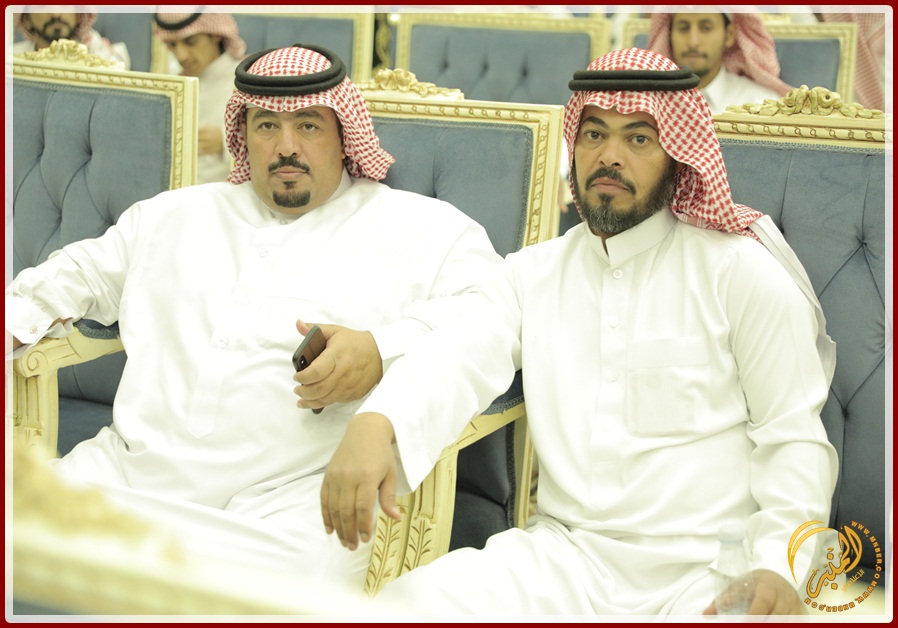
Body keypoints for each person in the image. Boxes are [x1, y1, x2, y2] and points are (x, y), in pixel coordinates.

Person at [320, 47, 838, 616]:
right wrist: (378, 421)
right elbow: (456, 352)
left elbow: (793, 437)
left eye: (638, 138)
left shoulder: (739, 272)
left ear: (678, 155)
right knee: (402, 608)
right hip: (563, 561)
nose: (609, 156)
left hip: (707, 573)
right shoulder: (534, 274)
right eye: (594, 135)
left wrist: (779, 566)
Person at [6, 44, 502, 591]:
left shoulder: (423, 229)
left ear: (345, 134)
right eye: (267, 125)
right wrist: (15, 318)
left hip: (288, 510)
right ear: (244, 135)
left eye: (308, 125)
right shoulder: (175, 214)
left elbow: (490, 317)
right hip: (126, 480)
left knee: (261, 596)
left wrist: (382, 352)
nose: (286, 147)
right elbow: (79, 272)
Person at [154, 11, 246, 184]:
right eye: (172, 45)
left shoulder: (247, 81)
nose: (181, 56)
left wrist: (226, 143)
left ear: (215, 35)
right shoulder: (171, 85)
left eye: (191, 42)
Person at [648, 10, 792, 114]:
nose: (693, 42)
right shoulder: (649, 103)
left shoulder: (761, 104)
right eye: (683, 28)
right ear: (669, 35)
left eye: (706, 28)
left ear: (729, 35)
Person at [14, 8, 130, 69]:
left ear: (79, 15)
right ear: (26, 19)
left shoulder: (98, 53)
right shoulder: (11, 60)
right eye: (43, 4)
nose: (56, 14)